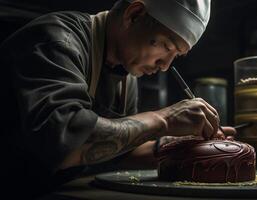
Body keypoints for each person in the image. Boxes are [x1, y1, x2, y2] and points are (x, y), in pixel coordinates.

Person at [0, 0, 236, 198]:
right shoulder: (57, 40)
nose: (165, 65)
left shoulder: (126, 74)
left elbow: (120, 149)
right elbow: (62, 142)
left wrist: (183, 145)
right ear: (134, 14)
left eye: (176, 55)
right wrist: (163, 119)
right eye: (166, 46)